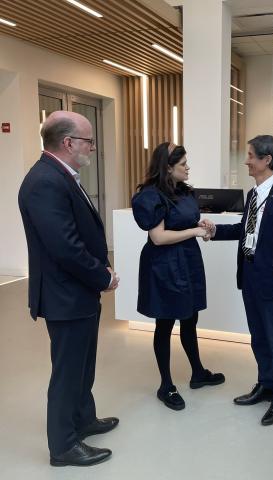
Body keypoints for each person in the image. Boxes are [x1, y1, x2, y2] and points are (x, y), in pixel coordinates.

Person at [18, 111, 119, 467]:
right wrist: (102, 276)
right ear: (68, 143)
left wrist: (99, 271)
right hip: (65, 295)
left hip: (78, 292)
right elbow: (65, 247)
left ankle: (83, 419)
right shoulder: (44, 181)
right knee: (67, 371)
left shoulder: (61, 175)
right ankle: (62, 446)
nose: (92, 147)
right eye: (88, 140)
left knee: (82, 365)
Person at [201, 135, 273, 426]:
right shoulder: (253, 194)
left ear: (266, 160)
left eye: (250, 155)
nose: (246, 161)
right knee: (258, 337)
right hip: (250, 276)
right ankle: (266, 384)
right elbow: (245, 231)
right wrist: (215, 231)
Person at [131, 141, 225, 411]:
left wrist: (200, 224)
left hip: (187, 260)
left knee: (190, 317)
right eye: (183, 164)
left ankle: (198, 373)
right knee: (165, 323)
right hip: (164, 265)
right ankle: (166, 385)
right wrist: (194, 232)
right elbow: (158, 237)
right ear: (168, 167)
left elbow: (182, 222)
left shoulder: (183, 191)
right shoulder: (151, 196)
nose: (188, 168)